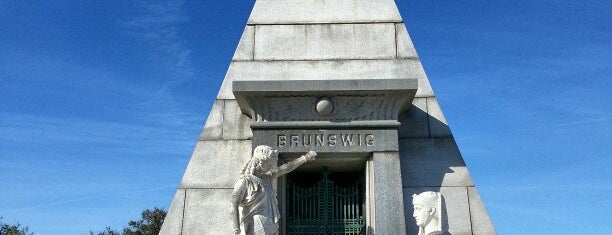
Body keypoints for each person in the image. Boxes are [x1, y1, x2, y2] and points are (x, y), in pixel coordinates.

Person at [229, 145, 316, 235]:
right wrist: (236, 229)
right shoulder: (245, 181)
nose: (271, 166)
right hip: (255, 225)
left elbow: (286, 168)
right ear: (259, 162)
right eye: (269, 164)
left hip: (269, 223)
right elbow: (233, 204)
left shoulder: (267, 178)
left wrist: (304, 158)